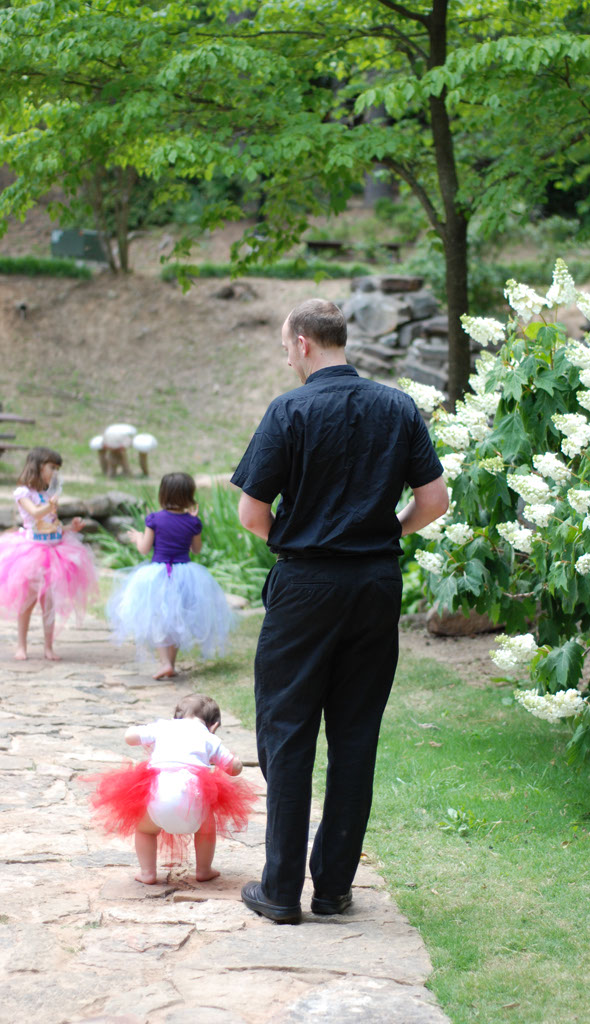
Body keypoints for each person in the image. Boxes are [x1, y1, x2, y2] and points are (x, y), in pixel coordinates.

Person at [232, 298, 448, 924]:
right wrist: (384, 536)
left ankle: (280, 890)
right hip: (374, 585)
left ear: (302, 343)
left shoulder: (289, 410)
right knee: (355, 735)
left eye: (285, 347)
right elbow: (434, 500)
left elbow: (251, 512)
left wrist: (296, 544)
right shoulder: (398, 407)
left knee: (286, 731)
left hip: (305, 585)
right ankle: (331, 888)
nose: (287, 358)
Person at [88, 693, 256, 884]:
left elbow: (130, 737)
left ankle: (147, 873)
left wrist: (142, 730)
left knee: (145, 830)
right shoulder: (209, 738)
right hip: (194, 797)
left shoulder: (162, 727)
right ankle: (203, 870)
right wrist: (236, 762)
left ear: (175, 716)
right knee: (206, 829)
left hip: (159, 792)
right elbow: (233, 768)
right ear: (214, 725)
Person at [107, 472, 234, 679]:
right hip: (185, 574)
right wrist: (193, 523)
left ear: (163, 494)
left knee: (159, 617)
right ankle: (171, 664)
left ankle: (165, 663)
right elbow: (196, 550)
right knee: (177, 617)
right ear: (189, 495)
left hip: (157, 575)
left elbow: (144, 549)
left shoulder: (155, 519)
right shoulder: (193, 522)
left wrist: (138, 537)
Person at [0, 446, 98, 660]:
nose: (55, 473)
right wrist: (51, 504)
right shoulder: (24, 493)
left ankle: (48, 646)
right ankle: (21, 646)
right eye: (52, 467)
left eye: (57, 469)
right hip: (31, 554)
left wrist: (70, 528)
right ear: (38, 466)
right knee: (27, 602)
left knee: (49, 603)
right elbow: (35, 513)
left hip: (55, 552)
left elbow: (52, 524)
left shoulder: (47, 495)